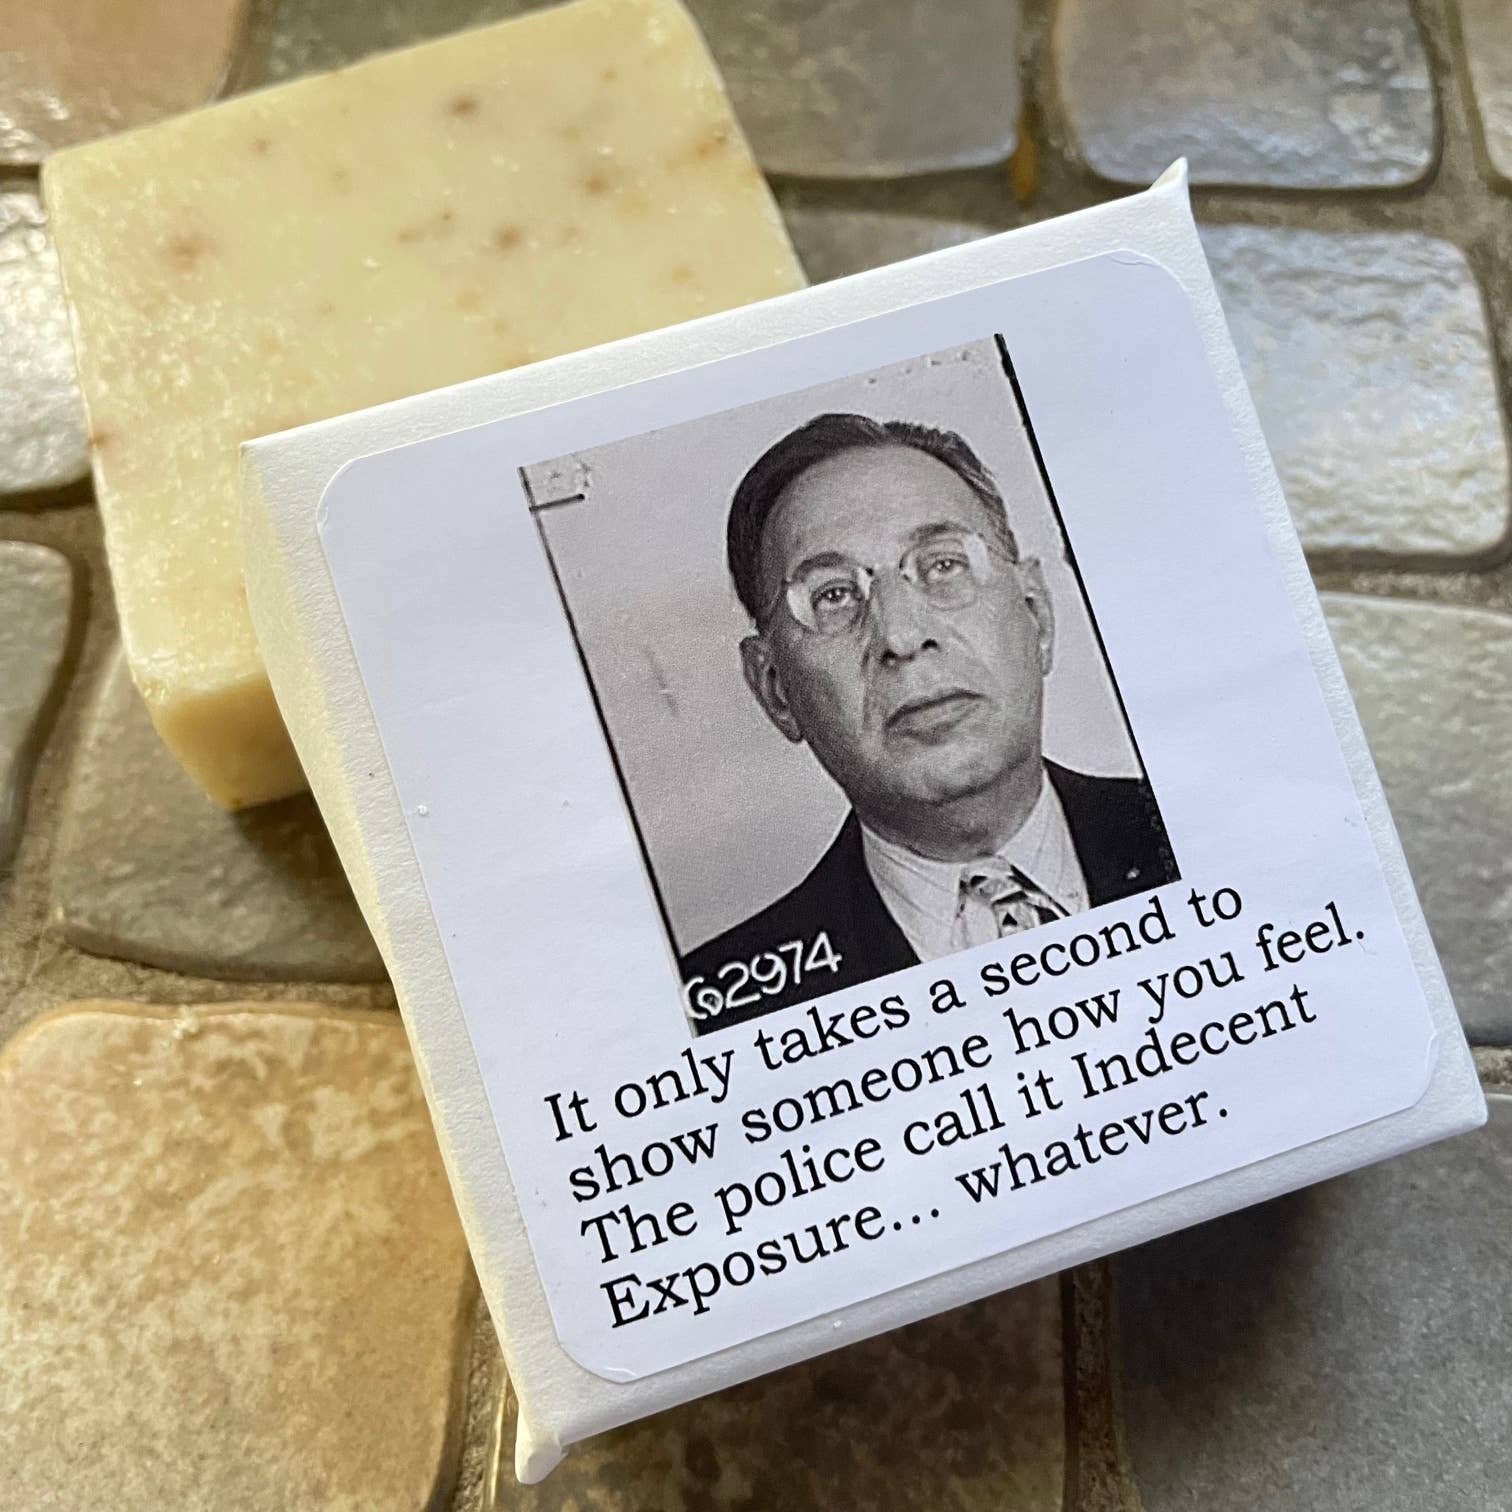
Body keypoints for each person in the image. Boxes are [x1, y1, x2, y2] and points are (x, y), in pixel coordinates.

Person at [679, 412, 1177, 1031]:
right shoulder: (710, 1017)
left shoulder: (1221, 827)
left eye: (942, 565)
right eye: (833, 595)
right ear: (776, 690)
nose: (902, 636)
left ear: (1037, 616)